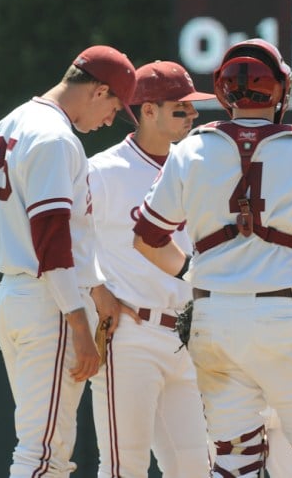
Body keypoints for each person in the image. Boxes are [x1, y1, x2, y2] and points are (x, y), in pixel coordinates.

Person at [132, 38, 292, 477]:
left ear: (223, 91)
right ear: (279, 90)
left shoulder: (191, 149)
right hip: (284, 314)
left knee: (235, 459)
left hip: (213, 314)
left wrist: (197, 276)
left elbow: (146, 239)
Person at [0, 45, 136, 477]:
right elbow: (51, 241)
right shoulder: (54, 137)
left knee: (39, 445)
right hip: (48, 303)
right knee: (44, 454)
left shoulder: (11, 122)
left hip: (16, 296)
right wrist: (78, 325)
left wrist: (95, 288)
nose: (110, 120)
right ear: (99, 90)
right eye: (113, 106)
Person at [87, 60, 214, 477]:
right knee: (125, 467)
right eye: (181, 108)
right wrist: (94, 287)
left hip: (188, 337)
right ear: (147, 111)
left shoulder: (197, 167)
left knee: (198, 466)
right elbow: (65, 239)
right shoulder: (103, 171)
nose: (192, 116)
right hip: (131, 334)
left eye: (193, 108)